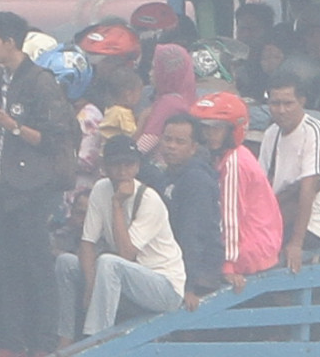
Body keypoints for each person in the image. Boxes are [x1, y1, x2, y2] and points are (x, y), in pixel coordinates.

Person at [0, 10, 77, 357]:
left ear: (10, 42)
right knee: (1, 266)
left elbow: (56, 139)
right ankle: (9, 342)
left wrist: (12, 125)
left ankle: (42, 344)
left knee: (36, 265)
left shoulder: (41, 81)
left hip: (33, 186)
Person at [60, 135, 188, 340]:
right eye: (116, 165)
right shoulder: (101, 189)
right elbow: (87, 243)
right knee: (66, 263)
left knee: (109, 262)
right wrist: (91, 286)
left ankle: (97, 341)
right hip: (124, 278)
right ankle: (64, 339)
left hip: (163, 286)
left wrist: (117, 204)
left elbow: (126, 254)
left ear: (137, 167)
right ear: (104, 166)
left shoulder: (148, 199)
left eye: (129, 165)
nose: (122, 172)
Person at [192, 93, 282, 275]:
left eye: (216, 129)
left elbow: (231, 217)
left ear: (232, 130)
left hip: (249, 248)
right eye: (205, 129)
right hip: (257, 242)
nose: (209, 135)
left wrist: (228, 264)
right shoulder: (225, 156)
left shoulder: (234, 162)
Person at [255, 78, 320, 261]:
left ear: (302, 101)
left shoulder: (317, 132)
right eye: (275, 103)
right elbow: (261, 184)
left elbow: (308, 189)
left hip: (314, 225)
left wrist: (296, 243)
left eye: (288, 103)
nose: (281, 110)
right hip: (279, 216)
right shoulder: (272, 133)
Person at [151, 114, 228, 294]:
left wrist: (188, 286)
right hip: (172, 264)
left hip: (200, 274)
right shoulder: (166, 176)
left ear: (193, 148)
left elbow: (193, 234)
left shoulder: (196, 180)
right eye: (168, 139)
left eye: (180, 142)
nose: (171, 146)